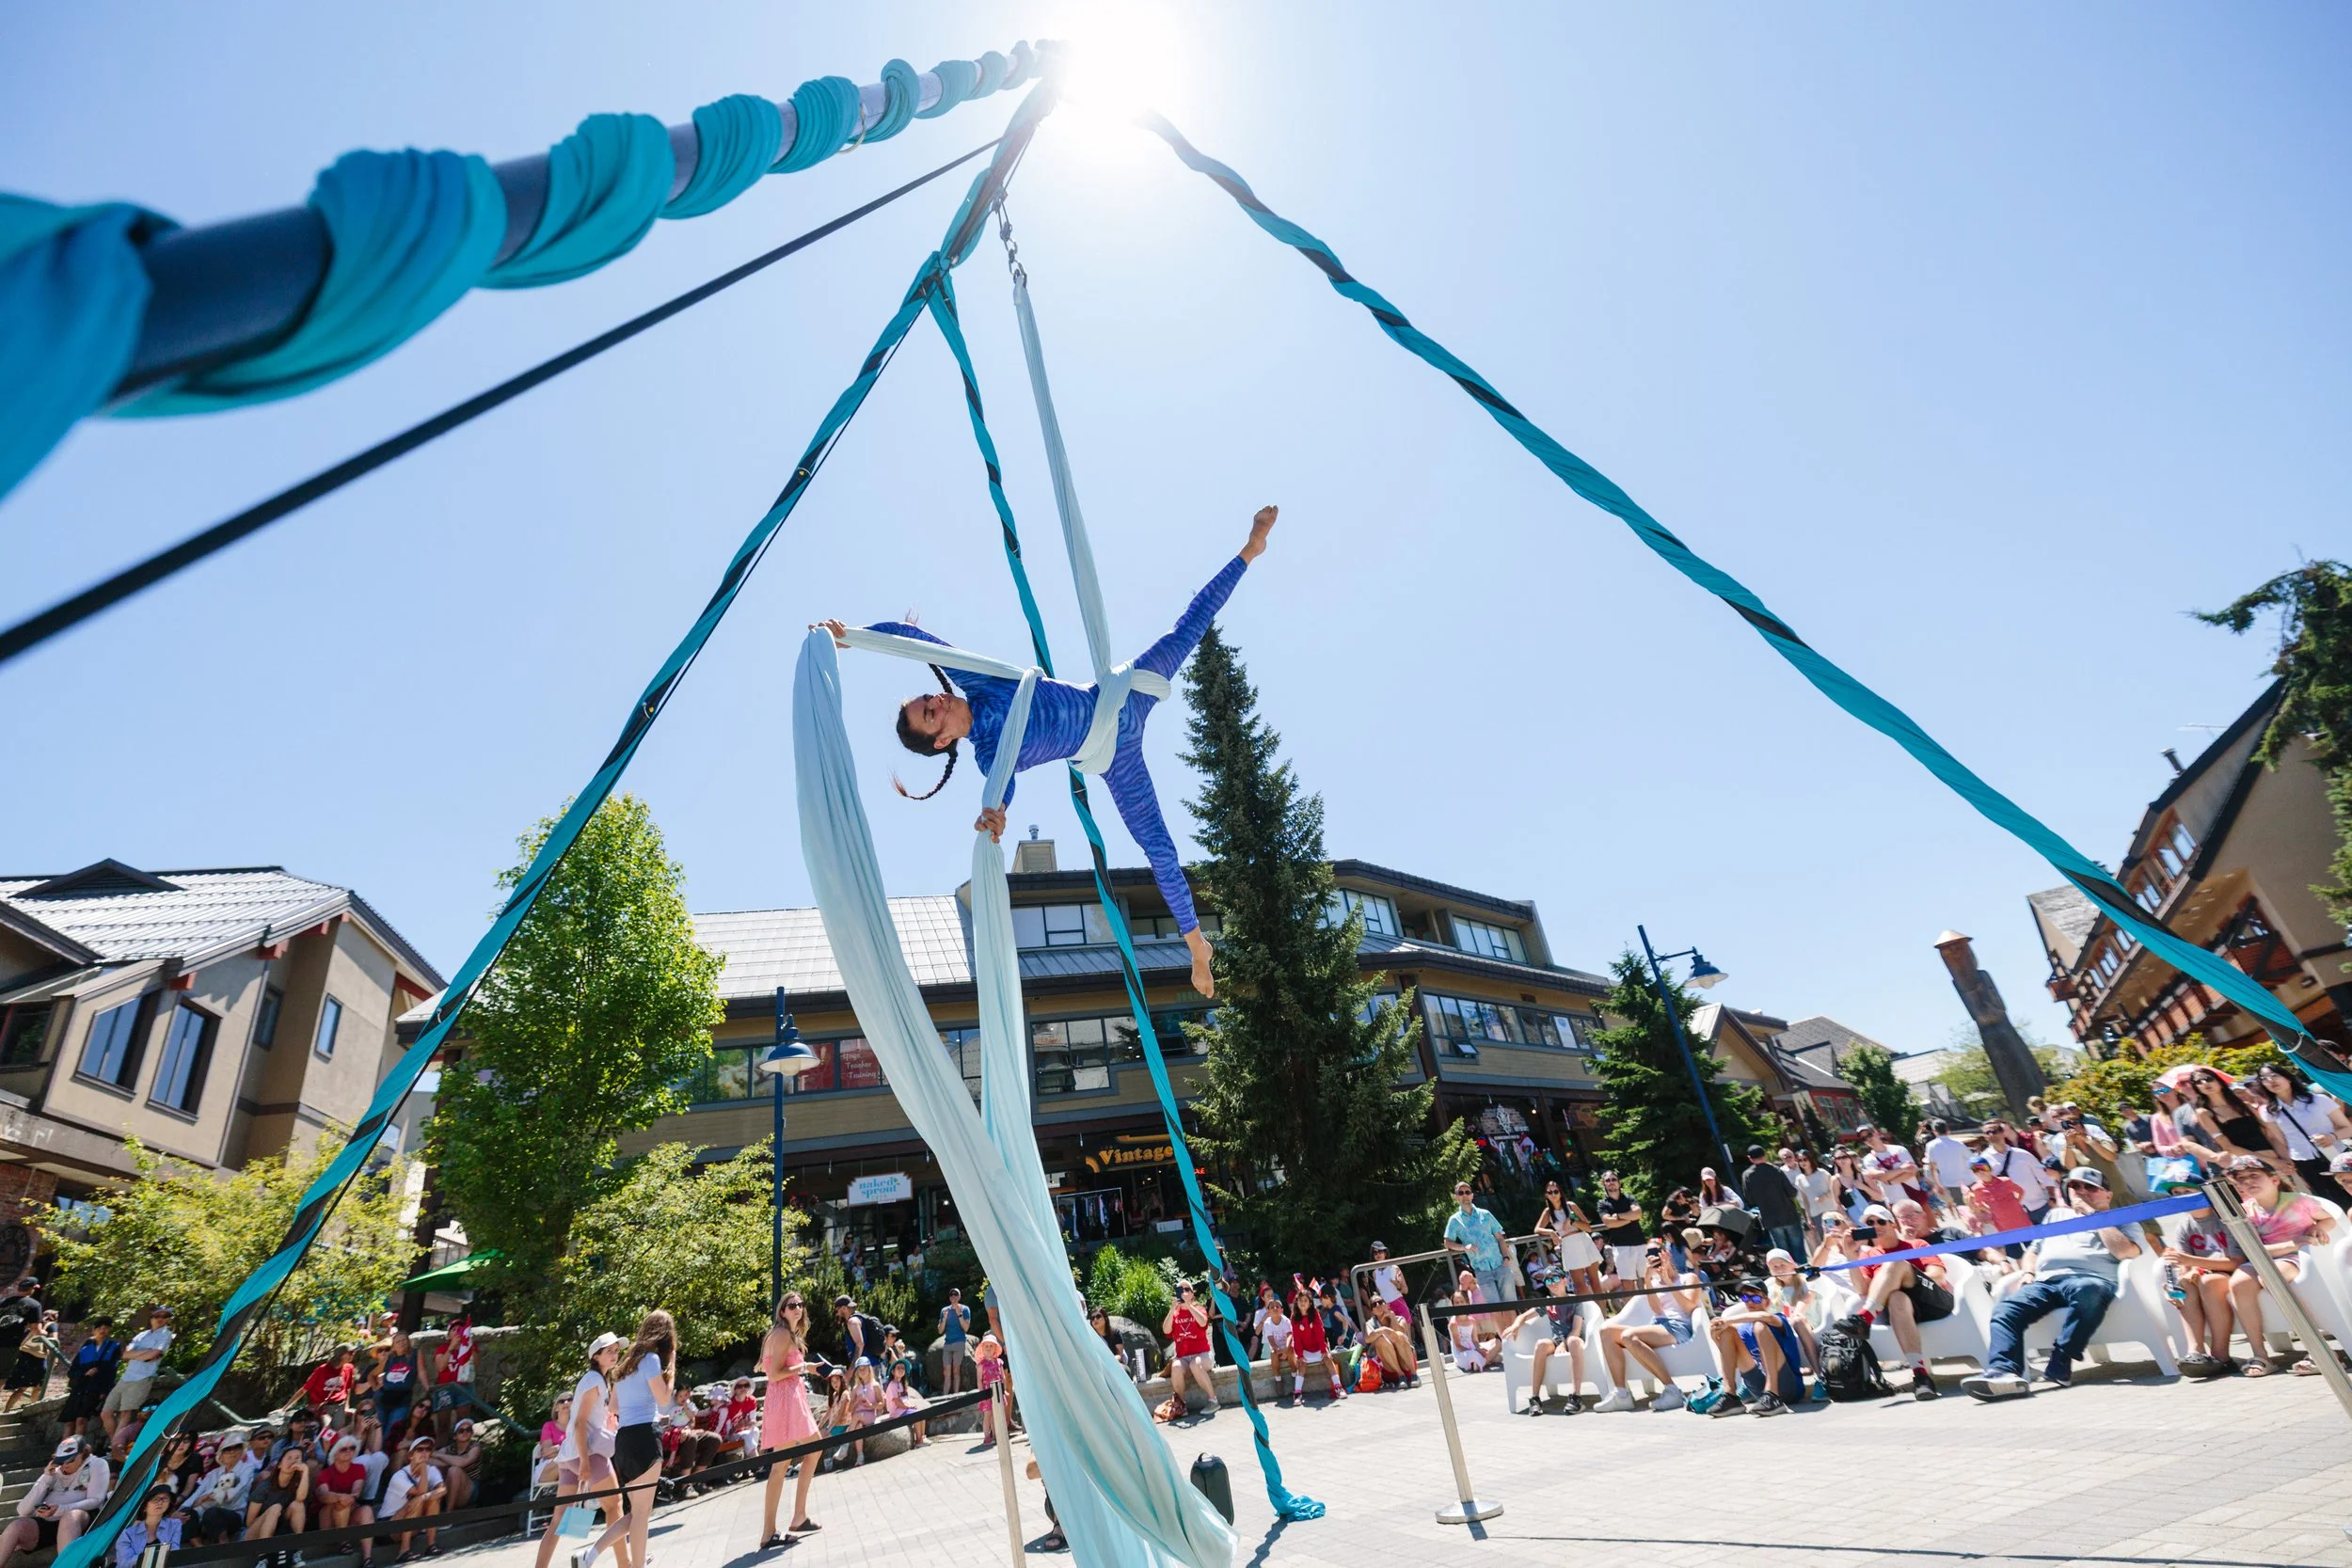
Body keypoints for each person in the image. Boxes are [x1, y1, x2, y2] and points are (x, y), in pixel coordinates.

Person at [829, 503, 1280, 998]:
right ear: (940, 740)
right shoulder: (987, 752)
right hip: (1112, 756)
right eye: (929, 713)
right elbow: (1001, 790)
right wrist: (995, 818)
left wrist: (857, 637)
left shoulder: (977, 682)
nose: (936, 701)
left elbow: (920, 643)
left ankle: (1250, 549)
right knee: (1159, 849)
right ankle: (1197, 946)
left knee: (1189, 626)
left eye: (928, 698)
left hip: (1117, 695)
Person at [1961, 1166, 2142, 1400]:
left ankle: (2062, 1358)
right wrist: (2027, 1272)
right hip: (2046, 1281)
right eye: (2075, 1186)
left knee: (2088, 1290)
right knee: (2005, 1309)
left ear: (2107, 1194)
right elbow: (2034, 1250)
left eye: (2091, 1187)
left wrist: (2092, 1216)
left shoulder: (2122, 1218)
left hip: (2091, 1279)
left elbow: (2127, 1252)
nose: (2081, 1191)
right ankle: (2003, 1372)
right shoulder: (2055, 1215)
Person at [2197, 1155, 2340, 1376]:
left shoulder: (2298, 1201)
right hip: (2266, 1258)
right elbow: (2251, 1248)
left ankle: (2318, 1349)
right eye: (2241, 1179)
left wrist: (2318, 1228)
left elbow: (2329, 1218)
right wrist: (2294, 1241)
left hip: (2300, 1256)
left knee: (2272, 1277)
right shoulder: (2245, 1211)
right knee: (2239, 1283)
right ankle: (2260, 1354)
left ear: (2273, 1179)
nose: (2248, 1182)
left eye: (2254, 1175)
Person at [589, 1311, 675, 1568]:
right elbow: (664, 1401)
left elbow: (613, 1406)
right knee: (640, 1514)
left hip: (624, 1440)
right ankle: (595, 1555)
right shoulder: (650, 1360)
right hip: (644, 1436)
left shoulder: (626, 1363)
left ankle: (590, 1555)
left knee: (638, 1513)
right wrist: (670, 1369)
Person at [1848, 1205, 1951, 1400]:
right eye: (1870, 1223)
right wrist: (1850, 1255)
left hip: (1932, 1301)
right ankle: (1921, 1376)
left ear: (1893, 1224)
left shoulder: (1917, 1245)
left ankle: (1865, 1318)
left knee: (1895, 1263)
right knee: (1897, 1298)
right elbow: (1862, 1290)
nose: (1876, 1226)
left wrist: (1905, 1275)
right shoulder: (1867, 1255)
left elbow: (1938, 1277)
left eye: (1881, 1221)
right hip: (1898, 1308)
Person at [1592, 1243, 1702, 1412]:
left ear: (1667, 1254)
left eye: (1657, 1252)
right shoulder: (1654, 1282)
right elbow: (1657, 1310)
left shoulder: (1688, 1279)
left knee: (1629, 1336)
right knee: (1606, 1331)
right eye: (1649, 1254)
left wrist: (1668, 1281)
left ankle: (1672, 1391)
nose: (1655, 1258)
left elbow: (1690, 1307)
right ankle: (1621, 1394)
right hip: (1659, 1325)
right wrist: (1648, 1281)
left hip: (1679, 1326)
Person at [758, 1294, 821, 1547]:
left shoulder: (786, 1334)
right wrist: (805, 1367)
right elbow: (773, 1375)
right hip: (785, 1400)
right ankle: (770, 1531)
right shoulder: (782, 1334)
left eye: (800, 1305)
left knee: (807, 1451)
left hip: (789, 1399)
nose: (798, 1308)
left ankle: (797, 1516)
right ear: (782, 1311)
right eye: (792, 1305)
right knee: (780, 1466)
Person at [0, 1436, 110, 1568]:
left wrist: (61, 1508)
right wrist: (46, 1478)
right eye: (61, 1461)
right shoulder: (54, 1472)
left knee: (70, 1517)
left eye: (70, 1460)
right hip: (48, 1523)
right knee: (17, 1526)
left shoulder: (97, 1464)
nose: (65, 1465)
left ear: (83, 1453)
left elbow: (96, 1500)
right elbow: (23, 1510)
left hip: (81, 1520)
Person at [1704, 1277, 1800, 1417]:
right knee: (1727, 1332)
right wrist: (1716, 1337)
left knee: (1759, 1325)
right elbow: (1733, 1359)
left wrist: (1726, 1320)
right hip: (1759, 1390)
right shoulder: (1742, 1329)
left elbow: (1763, 1316)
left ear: (1767, 1302)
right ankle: (1731, 1396)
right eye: (1745, 1297)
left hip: (1788, 1387)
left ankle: (1773, 1394)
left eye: (1755, 1298)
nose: (1749, 1302)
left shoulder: (1777, 1319)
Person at [2249, 1062, 2352, 1193]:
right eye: (2264, 1079)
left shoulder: (2318, 1100)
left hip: (2337, 1155)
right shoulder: (2268, 1111)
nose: (2270, 1080)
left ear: (2288, 1077)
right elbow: (2282, 1141)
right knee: (2330, 1200)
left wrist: (2332, 1137)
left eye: (2274, 1075)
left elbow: (2348, 1128)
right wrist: (2287, 1162)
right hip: (2305, 1162)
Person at [1508, 1266, 1585, 1416]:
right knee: (1541, 1345)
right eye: (1548, 1280)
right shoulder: (1548, 1302)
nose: (1553, 1283)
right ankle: (1535, 1398)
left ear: (1564, 1280)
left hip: (1574, 1340)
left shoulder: (1575, 1300)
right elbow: (1524, 1316)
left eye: (1556, 1278)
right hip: (1557, 1341)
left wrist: (1564, 1343)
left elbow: (1576, 1329)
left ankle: (1576, 1397)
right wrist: (1516, 1324)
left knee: (1573, 1341)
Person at [2182, 1069, 2288, 1175]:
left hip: (2278, 1163)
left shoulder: (2245, 1106)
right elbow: (2228, 1147)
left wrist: (2286, 1160)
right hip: (2250, 1168)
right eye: (2198, 1082)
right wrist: (2272, 1162)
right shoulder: (2204, 1113)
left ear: (2219, 1082)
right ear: (2197, 1088)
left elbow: (2271, 1136)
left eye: (2208, 1079)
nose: (2204, 1083)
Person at [1442, 1180, 1511, 1324]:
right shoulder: (1455, 1220)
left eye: (1467, 1192)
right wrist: (1463, 1247)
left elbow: (1500, 1237)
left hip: (1500, 1264)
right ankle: (1506, 1341)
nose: (1464, 1195)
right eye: (1460, 1193)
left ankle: (1518, 1340)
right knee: (1495, 1309)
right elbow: (1447, 1242)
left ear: (1472, 1195)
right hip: (1482, 1270)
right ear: (1456, 1197)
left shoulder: (1485, 1214)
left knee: (1511, 1305)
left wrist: (1506, 1258)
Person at [379, 1436, 446, 1560]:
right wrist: (422, 1471)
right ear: (410, 1456)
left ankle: (431, 1545)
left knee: (433, 1500)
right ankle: (403, 1551)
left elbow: (442, 1489)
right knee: (417, 1500)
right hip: (387, 1527)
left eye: (428, 1449)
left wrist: (426, 1495)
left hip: (411, 1523)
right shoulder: (399, 1476)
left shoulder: (431, 1470)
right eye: (420, 1449)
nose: (424, 1453)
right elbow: (420, 1492)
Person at [316, 1435, 379, 1566]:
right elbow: (323, 1495)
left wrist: (347, 1497)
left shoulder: (358, 1468)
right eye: (343, 1449)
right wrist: (340, 1497)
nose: (349, 1451)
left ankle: (367, 1558)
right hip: (328, 1522)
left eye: (352, 1448)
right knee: (341, 1503)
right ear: (334, 1454)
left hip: (349, 1514)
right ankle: (343, 1542)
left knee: (366, 1510)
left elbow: (357, 1490)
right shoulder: (325, 1473)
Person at [1533, 1180, 1604, 1296]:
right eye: (1549, 1192)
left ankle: (1603, 1313)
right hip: (1569, 1245)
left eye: (1556, 1191)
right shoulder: (1548, 1212)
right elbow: (1537, 1229)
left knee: (1595, 1283)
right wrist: (1551, 1232)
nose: (1553, 1194)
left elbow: (1588, 1228)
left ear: (1560, 1193)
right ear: (1546, 1195)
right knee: (1581, 1288)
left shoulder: (1571, 1206)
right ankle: (1587, 1313)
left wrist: (1572, 1221)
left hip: (1583, 1240)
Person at [185, 1433, 258, 1546]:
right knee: (186, 1513)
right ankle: (199, 1547)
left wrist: (205, 1498)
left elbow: (233, 1493)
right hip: (206, 1512)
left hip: (233, 1514)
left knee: (212, 1513)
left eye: (237, 1447)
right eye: (228, 1449)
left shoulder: (247, 1468)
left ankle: (223, 1547)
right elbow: (196, 1495)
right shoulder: (212, 1474)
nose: (233, 1452)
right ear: (221, 1455)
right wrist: (180, 1510)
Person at [1980, 1120, 2058, 1225]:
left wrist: (2052, 1198)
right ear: (1984, 1136)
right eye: (1987, 1133)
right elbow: (1983, 1186)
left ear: (2003, 1133)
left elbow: (2044, 1177)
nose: (1991, 1135)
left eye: (1994, 1131)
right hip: (2012, 1212)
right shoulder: (1982, 1160)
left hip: (2039, 1205)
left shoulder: (2022, 1154)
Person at [1740, 1144, 1806, 1259]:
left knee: (1783, 1253)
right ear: (1765, 1155)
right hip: (1789, 1214)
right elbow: (1791, 1192)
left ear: (1750, 1158)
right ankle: (1804, 1273)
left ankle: (1790, 1275)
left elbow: (1750, 1199)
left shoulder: (1747, 1175)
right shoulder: (1776, 1169)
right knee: (1799, 1249)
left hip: (1770, 1219)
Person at [1162, 1283, 1216, 1415]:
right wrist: (1172, 1309)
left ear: (1192, 1294)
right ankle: (1181, 1405)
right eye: (1180, 1290)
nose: (1184, 1292)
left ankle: (1213, 1400)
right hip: (1184, 1358)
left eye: (1187, 1289)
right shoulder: (1175, 1313)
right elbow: (1166, 1330)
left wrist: (1189, 1305)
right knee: (1176, 1366)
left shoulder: (1199, 1308)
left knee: (1195, 1364)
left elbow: (1203, 1322)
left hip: (1203, 1355)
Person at [1287, 1278, 1344, 1402]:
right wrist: (1300, 1355)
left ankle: (1338, 1387)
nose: (1302, 1303)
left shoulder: (1315, 1314)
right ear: (1296, 1302)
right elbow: (1296, 1338)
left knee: (1328, 1359)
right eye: (1300, 1301)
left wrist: (1324, 1351)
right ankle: (1297, 1393)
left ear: (1310, 1303)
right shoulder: (1294, 1317)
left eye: (1305, 1301)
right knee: (1301, 1365)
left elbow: (1320, 1333)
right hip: (1305, 1349)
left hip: (1318, 1348)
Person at [1965, 1153, 2033, 1256]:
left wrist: (2015, 1204)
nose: (1980, 1171)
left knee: (2032, 1249)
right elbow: (1979, 1206)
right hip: (2003, 1226)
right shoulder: (1977, 1189)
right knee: (2017, 1254)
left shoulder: (2005, 1181)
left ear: (1990, 1168)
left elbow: (2021, 1191)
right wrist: (1992, 1210)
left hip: (2021, 1222)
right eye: (1975, 1169)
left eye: (1982, 1167)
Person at [245, 1442, 310, 1544]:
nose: (293, 1461)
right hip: (254, 1534)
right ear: (279, 1464)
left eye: (297, 1458)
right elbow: (249, 1523)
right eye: (289, 1458)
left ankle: (296, 1549)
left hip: (278, 1529)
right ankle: (263, 1554)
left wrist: (305, 1472)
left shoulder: (298, 1484)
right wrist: (271, 1516)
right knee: (276, 1508)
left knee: (298, 1505)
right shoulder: (265, 1486)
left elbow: (300, 1498)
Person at [1858, 1124, 1928, 1211]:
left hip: (1915, 1196)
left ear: (1876, 1133)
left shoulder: (1899, 1149)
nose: (1868, 1139)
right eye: (1864, 1139)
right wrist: (1902, 1169)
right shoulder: (1868, 1160)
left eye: (1869, 1135)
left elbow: (1912, 1171)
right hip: (1895, 1202)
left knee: (1930, 1224)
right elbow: (1882, 1177)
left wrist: (1891, 1181)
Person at [1594, 1172, 1648, 1281]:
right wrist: (1630, 1218)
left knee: (1647, 1280)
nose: (1611, 1182)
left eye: (1613, 1179)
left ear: (1619, 1183)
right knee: (1627, 1284)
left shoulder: (1629, 1198)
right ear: (1604, 1184)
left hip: (1640, 1244)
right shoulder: (1602, 1204)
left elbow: (1638, 1214)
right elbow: (1609, 1223)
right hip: (1621, 1247)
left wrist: (1618, 1216)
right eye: (1608, 1180)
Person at [373, 1330, 422, 1452]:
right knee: (378, 1430)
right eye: (398, 1341)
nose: (401, 1343)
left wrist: (428, 1389)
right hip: (383, 1398)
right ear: (394, 1344)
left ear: (409, 1341)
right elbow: (373, 1374)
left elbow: (422, 1372)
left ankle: (384, 1458)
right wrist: (376, 1385)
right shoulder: (390, 1357)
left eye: (404, 1340)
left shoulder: (415, 1354)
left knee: (391, 1432)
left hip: (402, 1400)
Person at [113, 1485, 183, 1568]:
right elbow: (124, 1563)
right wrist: (153, 1557)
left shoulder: (175, 1525)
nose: (160, 1502)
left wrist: (148, 1558)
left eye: (164, 1499)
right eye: (155, 1499)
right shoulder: (127, 1534)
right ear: (144, 1507)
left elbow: (174, 1553)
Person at [1252, 1282, 1297, 1398]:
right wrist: (1277, 1350)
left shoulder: (1285, 1320)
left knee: (1291, 1351)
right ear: (1262, 1298)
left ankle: (1294, 1377)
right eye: (1268, 1296)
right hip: (1271, 1346)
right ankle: (1278, 1380)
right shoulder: (1261, 1315)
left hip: (1285, 1345)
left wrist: (1285, 1349)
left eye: (1272, 1295)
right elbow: (1261, 1334)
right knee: (1273, 1355)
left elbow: (1289, 1335)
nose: (1271, 1298)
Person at [306, 1343, 362, 1431]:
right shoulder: (322, 1369)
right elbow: (305, 1388)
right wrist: (285, 1408)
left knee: (338, 1431)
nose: (353, 1354)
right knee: (326, 1431)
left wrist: (347, 1406)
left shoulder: (349, 1368)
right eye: (350, 1352)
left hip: (340, 1406)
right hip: (324, 1407)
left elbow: (347, 1388)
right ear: (341, 1355)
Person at [431, 1419, 482, 1512]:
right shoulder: (450, 1448)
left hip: (469, 1490)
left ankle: (448, 1513)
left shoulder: (475, 1446)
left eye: (468, 1429)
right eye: (461, 1431)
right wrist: (450, 1460)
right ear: (455, 1436)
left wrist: (440, 1456)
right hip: (451, 1488)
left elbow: (463, 1462)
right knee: (434, 1470)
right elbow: (429, 1458)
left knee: (454, 1470)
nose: (465, 1432)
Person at [1922, 1121, 1974, 1212]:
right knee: (1975, 1206)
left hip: (1950, 1183)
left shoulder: (1931, 1146)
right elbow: (1972, 1160)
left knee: (1962, 1209)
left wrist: (1937, 1185)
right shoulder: (1958, 1143)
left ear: (1934, 1131)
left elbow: (1932, 1167)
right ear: (1947, 1130)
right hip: (1968, 1180)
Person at [1361, 1299, 1417, 1385]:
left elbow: (1402, 1332)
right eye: (1374, 1305)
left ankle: (1414, 1375)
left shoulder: (1399, 1318)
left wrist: (1393, 1319)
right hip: (1390, 1368)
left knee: (1400, 1335)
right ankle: (1400, 1375)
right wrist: (1383, 1330)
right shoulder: (1370, 1323)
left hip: (1407, 1364)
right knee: (1380, 1340)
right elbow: (1368, 1339)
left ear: (1387, 1305)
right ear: (1372, 1311)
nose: (1377, 1305)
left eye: (1380, 1302)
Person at [1791, 1150, 1836, 1247]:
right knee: (1826, 1240)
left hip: (1831, 1210)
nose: (1803, 1162)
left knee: (1838, 1235)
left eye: (1805, 1159)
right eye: (1800, 1160)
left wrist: (1824, 1196)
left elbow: (1834, 1189)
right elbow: (1805, 1200)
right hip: (1816, 1214)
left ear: (1811, 1159)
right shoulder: (1799, 1179)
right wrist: (1808, 1217)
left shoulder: (1822, 1173)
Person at [883, 1359, 929, 1447]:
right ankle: (919, 1441)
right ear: (893, 1371)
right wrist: (908, 1407)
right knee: (917, 1414)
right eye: (898, 1368)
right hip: (897, 1412)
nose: (901, 1370)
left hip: (903, 1409)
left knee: (922, 1412)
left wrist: (910, 1406)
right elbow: (897, 1402)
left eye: (903, 1368)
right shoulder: (892, 1385)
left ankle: (922, 1437)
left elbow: (905, 1399)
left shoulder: (902, 1383)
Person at [937, 1287, 973, 1394]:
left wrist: (959, 1314)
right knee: (946, 1372)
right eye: (951, 1295)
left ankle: (956, 1395)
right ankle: (945, 1397)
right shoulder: (944, 1310)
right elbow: (940, 1331)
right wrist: (944, 1319)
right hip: (948, 1343)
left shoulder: (965, 1309)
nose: (953, 1297)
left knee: (956, 1371)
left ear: (959, 1296)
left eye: (955, 1294)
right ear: (949, 1297)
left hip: (959, 1342)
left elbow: (966, 1328)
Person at [1366, 1242, 1408, 1325]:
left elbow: (1406, 1290)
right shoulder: (1374, 1273)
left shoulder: (1394, 1268)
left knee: (1407, 1336)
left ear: (1385, 1253)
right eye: (1375, 1252)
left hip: (1399, 1302)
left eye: (1380, 1251)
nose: (1378, 1254)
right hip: (1386, 1307)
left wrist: (1398, 1286)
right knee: (1392, 1336)